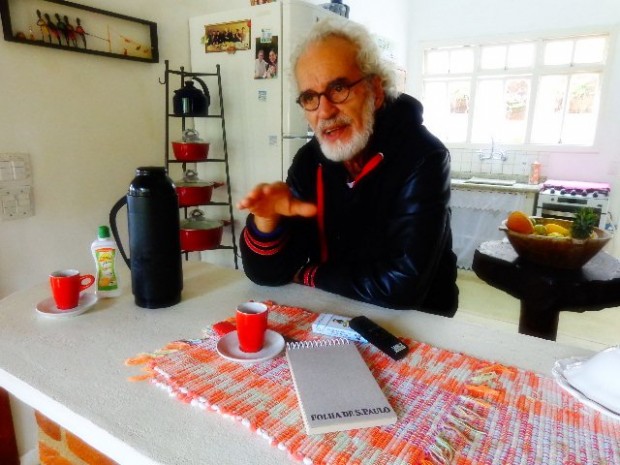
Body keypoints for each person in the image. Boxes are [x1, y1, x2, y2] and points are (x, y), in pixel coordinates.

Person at [237, 17, 458, 316]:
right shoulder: (309, 161)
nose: (325, 110)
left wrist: (311, 275)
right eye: (310, 98)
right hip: (334, 310)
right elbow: (268, 275)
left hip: (419, 325)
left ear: (375, 91)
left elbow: (403, 286)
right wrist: (266, 222)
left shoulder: (422, 156)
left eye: (339, 87)